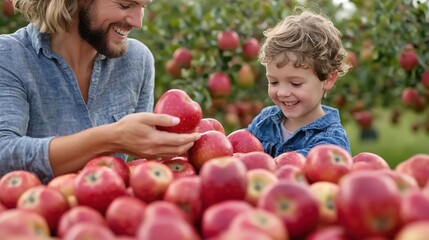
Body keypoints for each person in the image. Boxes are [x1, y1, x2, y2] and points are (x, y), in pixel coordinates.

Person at [0, 0, 200, 184]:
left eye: (144, 6)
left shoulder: (137, 62)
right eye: (125, 5)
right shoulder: (10, 56)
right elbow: (4, 155)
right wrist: (112, 137)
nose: (138, 22)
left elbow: (139, 170)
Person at [247, 7, 351, 158]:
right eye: (274, 82)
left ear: (328, 79)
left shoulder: (331, 142)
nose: (282, 92)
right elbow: (236, 151)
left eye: (295, 83)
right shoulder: (264, 121)